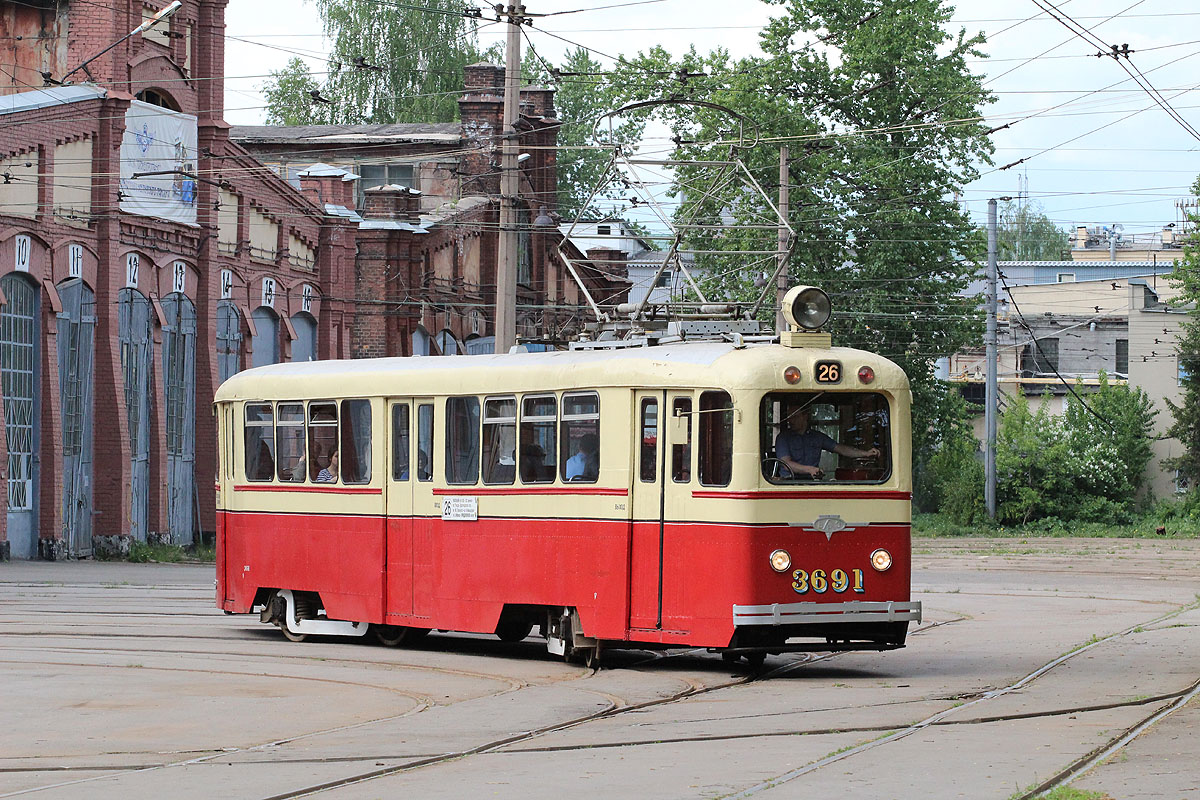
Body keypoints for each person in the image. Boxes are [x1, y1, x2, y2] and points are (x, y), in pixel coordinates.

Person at [775, 406, 879, 478]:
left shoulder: (817, 437)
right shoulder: (783, 438)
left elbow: (841, 449)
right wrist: (810, 470)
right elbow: (786, 464)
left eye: (795, 416)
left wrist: (865, 453)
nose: (791, 421)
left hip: (812, 482)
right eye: (789, 417)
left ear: (805, 416)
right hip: (788, 484)